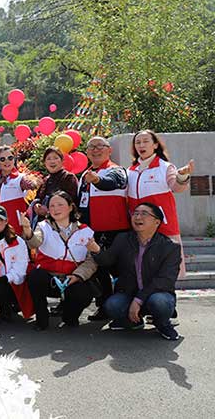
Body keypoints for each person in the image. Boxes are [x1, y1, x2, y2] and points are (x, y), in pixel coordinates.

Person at [88, 202, 182, 340]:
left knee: (160, 302)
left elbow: (165, 280)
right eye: (136, 213)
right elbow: (108, 260)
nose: (138, 217)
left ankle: (162, 323)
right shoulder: (123, 239)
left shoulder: (170, 247)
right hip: (129, 293)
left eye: (144, 214)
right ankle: (132, 322)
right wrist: (96, 250)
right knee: (112, 305)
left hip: (155, 294)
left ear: (157, 222)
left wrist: (138, 300)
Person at [21, 191, 98, 330]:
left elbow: (91, 262)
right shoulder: (43, 226)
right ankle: (41, 318)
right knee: (35, 277)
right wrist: (27, 230)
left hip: (72, 278)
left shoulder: (85, 230)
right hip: (49, 278)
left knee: (83, 292)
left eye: (60, 205)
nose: (55, 209)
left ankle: (70, 316)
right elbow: (35, 242)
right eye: (52, 206)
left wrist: (77, 276)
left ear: (70, 207)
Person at [127, 130, 193, 277]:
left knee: (165, 273)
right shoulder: (130, 171)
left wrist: (182, 176)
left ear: (155, 145)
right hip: (138, 229)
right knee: (141, 272)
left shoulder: (165, 167)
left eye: (145, 141)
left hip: (163, 227)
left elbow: (177, 186)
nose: (141, 145)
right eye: (137, 142)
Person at [78, 136, 129, 320]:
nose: (95, 149)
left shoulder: (117, 170)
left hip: (117, 234)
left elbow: (113, 183)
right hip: (93, 234)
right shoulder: (84, 176)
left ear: (109, 150)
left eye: (100, 146)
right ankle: (105, 307)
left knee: (119, 272)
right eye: (91, 147)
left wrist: (97, 179)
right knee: (99, 272)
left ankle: (125, 309)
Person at [0, 146, 37, 235]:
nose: (7, 161)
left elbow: (29, 184)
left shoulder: (20, 178)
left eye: (10, 158)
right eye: (2, 159)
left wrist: (33, 183)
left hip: (16, 226)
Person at [32, 146, 79, 221]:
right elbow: (38, 198)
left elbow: (71, 201)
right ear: (45, 163)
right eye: (48, 159)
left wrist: (48, 211)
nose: (52, 161)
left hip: (63, 222)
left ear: (62, 161)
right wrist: (36, 206)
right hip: (46, 224)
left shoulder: (68, 177)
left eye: (55, 158)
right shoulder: (45, 180)